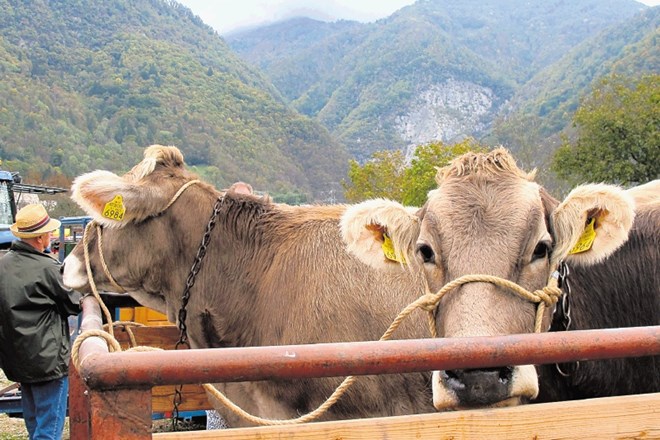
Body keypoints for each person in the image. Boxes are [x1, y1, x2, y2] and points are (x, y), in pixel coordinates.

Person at [0, 204, 81, 440]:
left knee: (35, 424)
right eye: (48, 232)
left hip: (18, 360)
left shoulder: (3, 265)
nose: (51, 236)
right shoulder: (48, 268)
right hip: (47, 362)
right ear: (38, 238)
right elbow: (73, 303)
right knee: (48, 430)